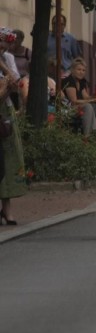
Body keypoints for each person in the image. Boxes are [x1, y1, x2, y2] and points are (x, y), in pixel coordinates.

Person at [0, 28, 26, 225]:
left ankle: (7, 209)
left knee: (9, 159)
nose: (3, 46)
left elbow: (16, 83)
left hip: (6, 113)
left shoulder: (7, 59)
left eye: (5, 43)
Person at [61, 58, 96, 136]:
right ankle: (87, 136)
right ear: (72, 70)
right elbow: (74, 101)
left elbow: (86, 97)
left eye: (83, 70)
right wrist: (91, 100)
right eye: (79, 69)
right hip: (69, 109)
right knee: (88, 107)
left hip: (79, 107)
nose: (81, 72)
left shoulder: (82, 81)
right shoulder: (69, 81)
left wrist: (95, 97)